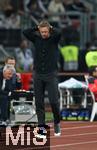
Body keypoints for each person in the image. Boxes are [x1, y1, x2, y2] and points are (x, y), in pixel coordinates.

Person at [23, 20, 61, 136]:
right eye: (42, 32)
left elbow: (59, 33)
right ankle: (41, 128)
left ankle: (57, 122)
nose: (44, 34)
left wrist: (50, 27)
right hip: (38, 74)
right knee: (39, 103)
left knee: (54, 101)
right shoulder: (36, 38)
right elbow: (25, 32)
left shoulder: (54, 39)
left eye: (45, 31)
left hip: (51, 74)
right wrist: (37, 27)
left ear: (49, 30)